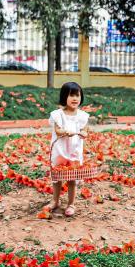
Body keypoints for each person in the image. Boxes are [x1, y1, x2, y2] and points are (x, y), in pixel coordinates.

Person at [48, 82, 89, 217]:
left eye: (77, 95)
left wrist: (83, 133)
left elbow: (85, 130)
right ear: (64, 96)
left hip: (74, 150)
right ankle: (55, 200)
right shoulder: (58, 115)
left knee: (72, 178)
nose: (75, 98)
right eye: (71, 95)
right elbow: (58, 130)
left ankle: (71, 203)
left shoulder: (82, 116)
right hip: (60, 150)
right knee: (57, 177)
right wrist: (65, 131)